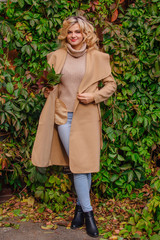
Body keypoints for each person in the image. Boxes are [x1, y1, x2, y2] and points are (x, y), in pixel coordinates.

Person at [31, 16, 117, 238]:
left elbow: (111, 85)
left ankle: (79, 210)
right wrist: (47, 92)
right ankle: (89, 215)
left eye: (77, 32)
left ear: (85, 33)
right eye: (70, 32)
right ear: (65, 34)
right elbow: (46, 85)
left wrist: (94, 96)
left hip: (87, 118)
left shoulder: (97, 57)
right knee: (78, 165)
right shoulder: (56, 57)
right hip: (63, 117)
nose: (73, 36)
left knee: (83, 165)